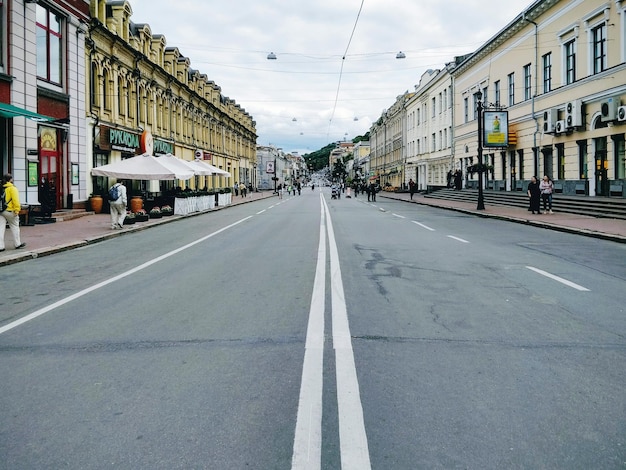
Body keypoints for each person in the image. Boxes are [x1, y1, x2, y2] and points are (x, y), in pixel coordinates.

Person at [1, 173, 26, 251]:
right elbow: (15, 200)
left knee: (0, 228)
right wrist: (17, 210)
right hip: (10, 211)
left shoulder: (1, 187)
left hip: (1, 210)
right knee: (15, 226)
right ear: (10, 179)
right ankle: (17, 243)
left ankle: (1, 246)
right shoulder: (12, 188)